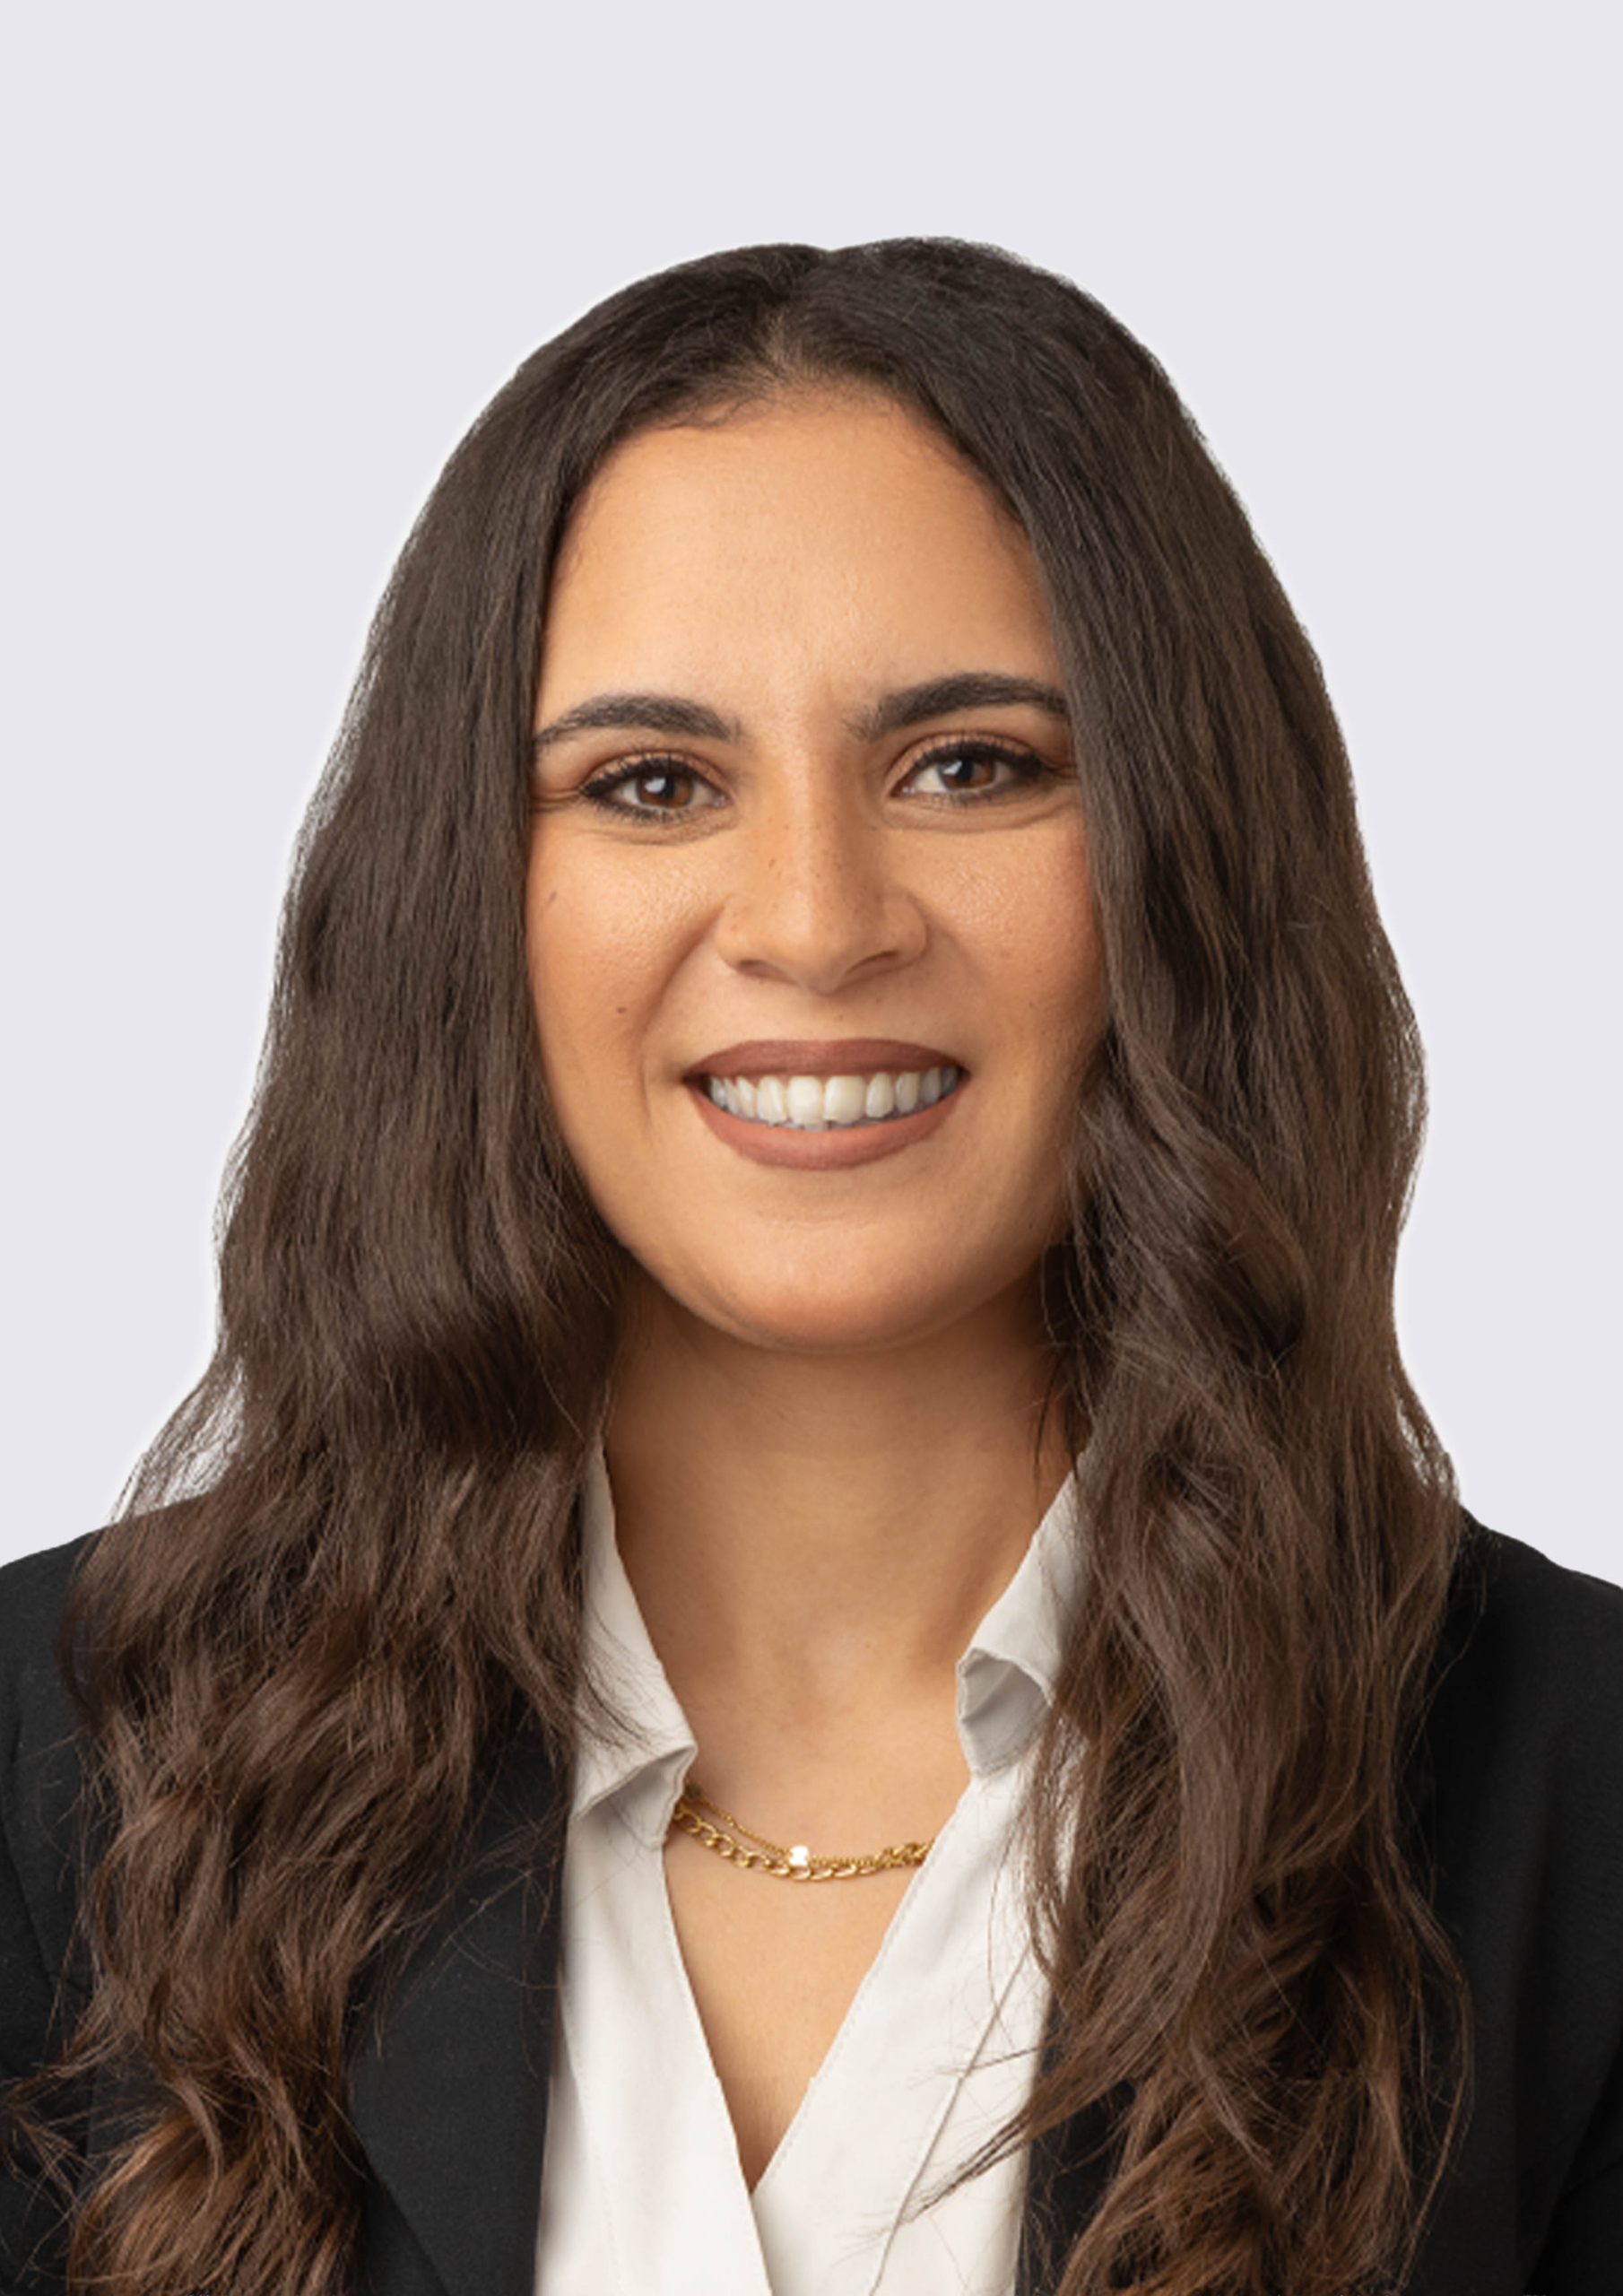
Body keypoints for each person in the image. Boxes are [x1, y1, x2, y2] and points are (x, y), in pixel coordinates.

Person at [2, 239, 1619, 2296]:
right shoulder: (48, 1773)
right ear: (463, 902)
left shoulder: (1574, 1794)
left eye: (968, 764)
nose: (812, 918)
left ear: (1180, 858)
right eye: (650, 782)